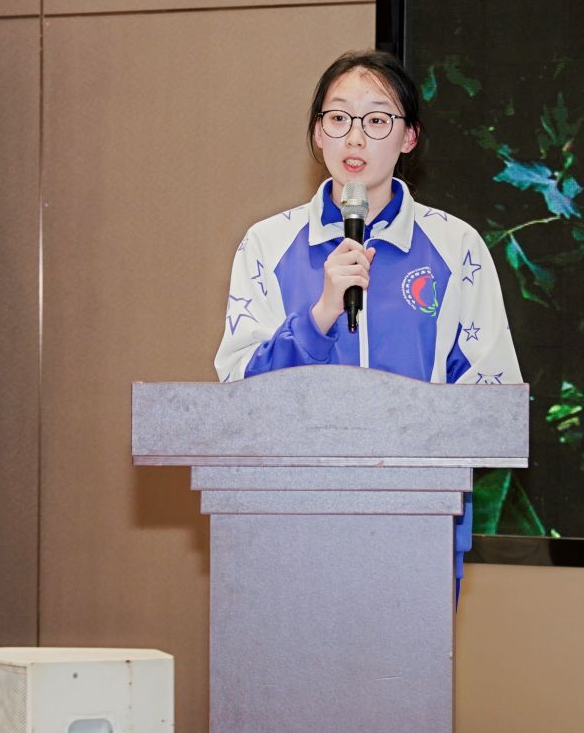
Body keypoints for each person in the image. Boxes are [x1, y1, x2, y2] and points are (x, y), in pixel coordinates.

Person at [214, 49, 521, 585]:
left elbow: (492, 402)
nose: (354, 138)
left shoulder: (455, 246)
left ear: (409, 138)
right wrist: (320, 315)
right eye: (338, 118)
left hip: (418, 523)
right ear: (317, 133)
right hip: (287, 523)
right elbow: (237, 395)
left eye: (377, 120)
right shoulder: (267, 243)